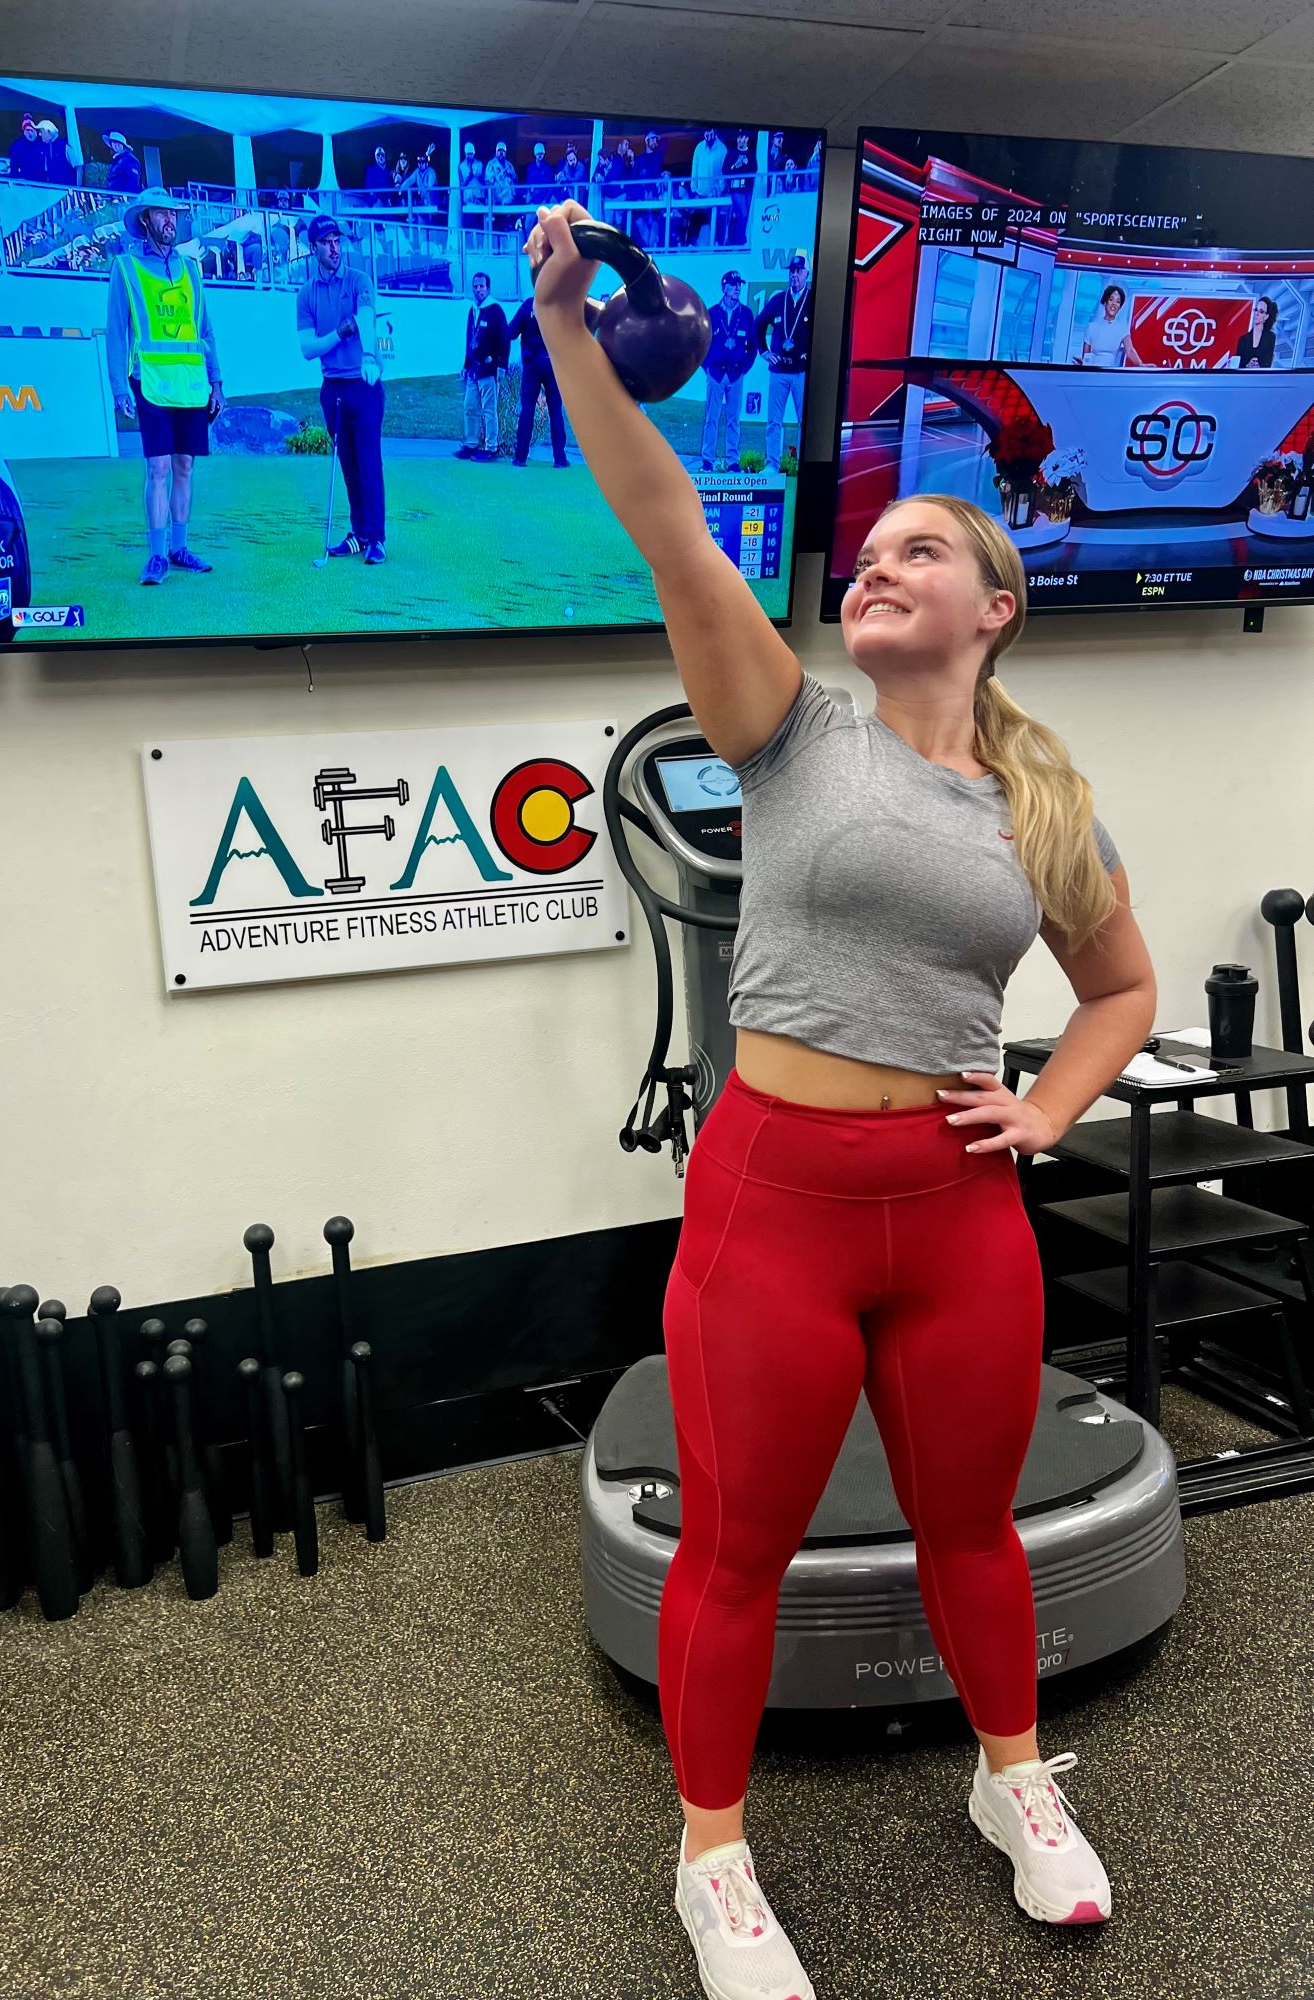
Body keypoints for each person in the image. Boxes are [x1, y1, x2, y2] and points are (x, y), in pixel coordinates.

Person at [525, 197, 1151, 1999]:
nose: (873, 563)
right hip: (777, 1205)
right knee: (738, 1546)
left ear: (997, 605)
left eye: (919, 547)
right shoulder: (790, 729)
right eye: (864, 546)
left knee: (975, 1521)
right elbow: (660, 512)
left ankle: (1017, 1785)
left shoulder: (1042, 810)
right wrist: (572, 330)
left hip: (958, 1215)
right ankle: (712, 1861)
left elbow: (1120, 991)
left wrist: (1045, 1115)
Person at [105, 187, 224, 586]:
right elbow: (116, 332)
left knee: (184, 465)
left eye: (173, 214)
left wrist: (217, 382)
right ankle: (156, 556)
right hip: (151, 381)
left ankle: (179, 548)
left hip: (190, 384)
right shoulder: (125, 268)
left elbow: (206, 330)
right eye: (161, 214)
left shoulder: (192, 269)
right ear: (145, 220)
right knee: (156, 468)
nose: (170, 221)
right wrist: (120, 388)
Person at [295, 213, 387, 564]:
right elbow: (308, 348)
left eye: (338, 241)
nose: (335, 248)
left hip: (363, 384)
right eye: (327, 242)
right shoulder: (306, 295)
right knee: (348, 464)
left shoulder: (358, 280)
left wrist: (366, 354)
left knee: (368, 463)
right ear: (313, 247)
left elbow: (364, 317)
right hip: (331, 387)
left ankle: (376, 538)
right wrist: (338, 334)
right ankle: (359, 533)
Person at [753, 249, 812, 466]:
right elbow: (758, 325)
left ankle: (802, 464)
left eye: (798, 271)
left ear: (807, 274)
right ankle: (772, 464)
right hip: (778, 372)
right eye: (791, 271)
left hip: (802, 372)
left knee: (804, 422)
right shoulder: (778, 299)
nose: (794, 275)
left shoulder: (813, 299)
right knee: (773, 421)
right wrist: (764, 351)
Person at [699, 270, 757, 471]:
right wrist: (707, 368)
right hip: (715, 374)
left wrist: (744, 369)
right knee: (711, 418)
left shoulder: (747, 314)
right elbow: (701, 343)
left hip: (735, 375)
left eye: (739, 285)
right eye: (733, 285)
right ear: (724, 288)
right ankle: (708, 459)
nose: (737, 288)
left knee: (734, 420)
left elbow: (753, 346)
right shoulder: (712, 313)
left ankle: (733, 460)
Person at [504, 296, 568, 469]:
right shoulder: (557, 306)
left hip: (532, 365)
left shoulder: (528, 306)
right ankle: (560, 459)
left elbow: (510, 333)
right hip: (552, 365)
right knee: (555, 412)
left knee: (527, 411)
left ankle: (520, 457)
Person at [455, 270, 510, 461]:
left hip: (489, 369)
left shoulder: (495, 310)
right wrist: (465, 364)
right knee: (469, 407)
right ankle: (471, 444)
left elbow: (505, 340)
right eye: (475, 286)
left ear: (488, 288)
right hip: (473, 370)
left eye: (481, 286)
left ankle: (491, 447)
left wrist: (502, 365)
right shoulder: (472, 310)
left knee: (489, 410)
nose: (478, 290)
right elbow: (469, 339)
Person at [1076, 284, 1140, 367]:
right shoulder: (1092, 327)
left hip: (1109, 373)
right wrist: (1082, 364)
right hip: (1092, 372)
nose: (1114, 304)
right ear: (1105, 302)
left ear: (1119, 307)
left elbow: (1130, 350)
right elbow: (1086, 357)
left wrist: (1141, 364)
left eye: (1118, 302)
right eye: (1111, 300)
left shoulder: (1122, 328)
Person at [688, 126, 727, 247]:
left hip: (714, 194)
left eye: (710, 134)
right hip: (699, 194)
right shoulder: (699, 148)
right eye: (706, 134)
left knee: (713, 222)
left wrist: (719, 190)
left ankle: (715, 245)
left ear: (715, 132)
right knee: (695, 221)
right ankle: (690, 245)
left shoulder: (722, 149)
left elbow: (723, 173)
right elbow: (694, 170)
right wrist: (694, 190)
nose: (708, 137)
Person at [723, 130, 755, 247]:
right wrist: (734, 166)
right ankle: (740, 240)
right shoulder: (731, 153)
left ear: (747, 140)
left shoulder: (751, 153)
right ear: (737, 139)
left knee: (748, 213)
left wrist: (747, 163)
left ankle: (743, 238)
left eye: (744, 138)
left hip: (748, 188)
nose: (742, 140)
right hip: (736, 189)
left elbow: (755, 169)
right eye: (740, 138)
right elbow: (725, 170)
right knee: (743, 213)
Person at [485, 140, 518, 236]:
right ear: (496, 152)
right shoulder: (491, 164)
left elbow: (516, 179)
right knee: (497, 223)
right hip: (497, 199)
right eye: (499, 151)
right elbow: (487, 181)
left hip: (508, 200)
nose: (501, 153)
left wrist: (510, 174)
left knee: (508, 222)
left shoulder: (509, 165)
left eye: (503, 151)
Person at [1236, 296, 1278, 369]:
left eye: (1261, 311)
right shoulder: (1243, 339)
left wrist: (1258, 367)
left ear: (1266, 316)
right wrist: (1247, 366)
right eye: (1256, 310)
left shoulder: (1271, 337)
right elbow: (1238, 365)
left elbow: (1268, 363)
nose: (1257, 313)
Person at [458, 140, 486, 235]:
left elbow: (484, 180)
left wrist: (477, 176)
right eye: (467, 154)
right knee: (469, 223)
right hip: (468, 199)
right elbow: (461, 184)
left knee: (479, 224)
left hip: (479, 197)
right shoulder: (461, 166)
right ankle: (469, 245)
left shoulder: (480, 164)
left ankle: (480, 245)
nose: (469, 156)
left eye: (471, 154)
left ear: (474, 153)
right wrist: (467, 180)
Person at [7, 112, 46, 180]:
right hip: (26, 183)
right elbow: (13, 168)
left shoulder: (44, 145)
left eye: (32, 130)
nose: (30, 133)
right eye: (27, 130)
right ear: (24, 131)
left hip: (42, 182)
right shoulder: (17, 146)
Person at [104, 131, 143, 196]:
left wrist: (128, 199)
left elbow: (133, 182)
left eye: (118, 143)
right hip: (115, 199)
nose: (116, 145)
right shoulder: (116, 161)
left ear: (123, 145)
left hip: (124, 201)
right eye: (113, 142)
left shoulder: (130, 159)